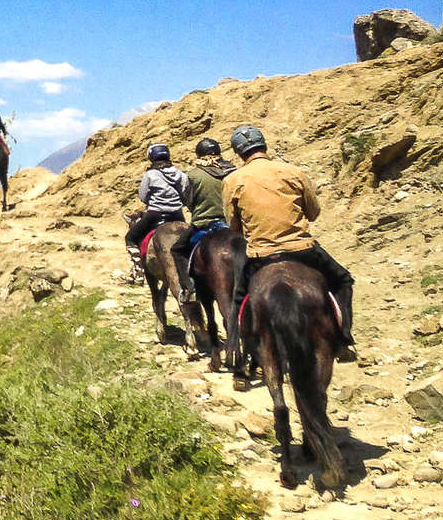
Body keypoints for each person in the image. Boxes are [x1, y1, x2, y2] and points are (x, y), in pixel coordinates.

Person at [223, 125, 356, 363]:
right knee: (343, 280)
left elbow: (233, 225)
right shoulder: (293, 171)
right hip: (301, 250)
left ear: (239, 152)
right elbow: (313, 212)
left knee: (238, 298)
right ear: (264, 145)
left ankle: (236, 352)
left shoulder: (233, 180)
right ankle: (344, 338)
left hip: (260, 255)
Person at [175, 137, 235, 288]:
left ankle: (188, 288)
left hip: (203, 224)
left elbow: (187, 201)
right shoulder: (233, 170)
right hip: (233, 223)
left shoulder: (193, 175)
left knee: (177, 249)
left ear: (199, 154)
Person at [124, 143, 190, 274]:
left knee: (130, 237)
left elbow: (143, 196)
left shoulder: (150, 175)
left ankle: (138, 270)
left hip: (155, 215)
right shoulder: (181, 174)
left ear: (152, 157)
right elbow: (186, 194)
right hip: (178, 215)